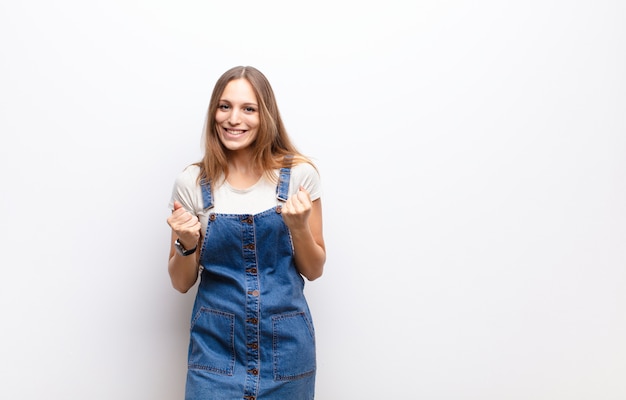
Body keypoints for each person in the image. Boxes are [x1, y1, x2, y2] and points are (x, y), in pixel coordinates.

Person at [166, 66, 326, 400]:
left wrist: (298, 227)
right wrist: (187, 243)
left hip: (286, 353)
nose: (233, 118)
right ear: (214, 113)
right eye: (224, 107)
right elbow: (181, 283)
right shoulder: (192, 183)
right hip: (214, 355)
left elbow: (313, 269)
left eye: (247, 108)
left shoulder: (299, 175)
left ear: (265, 114)